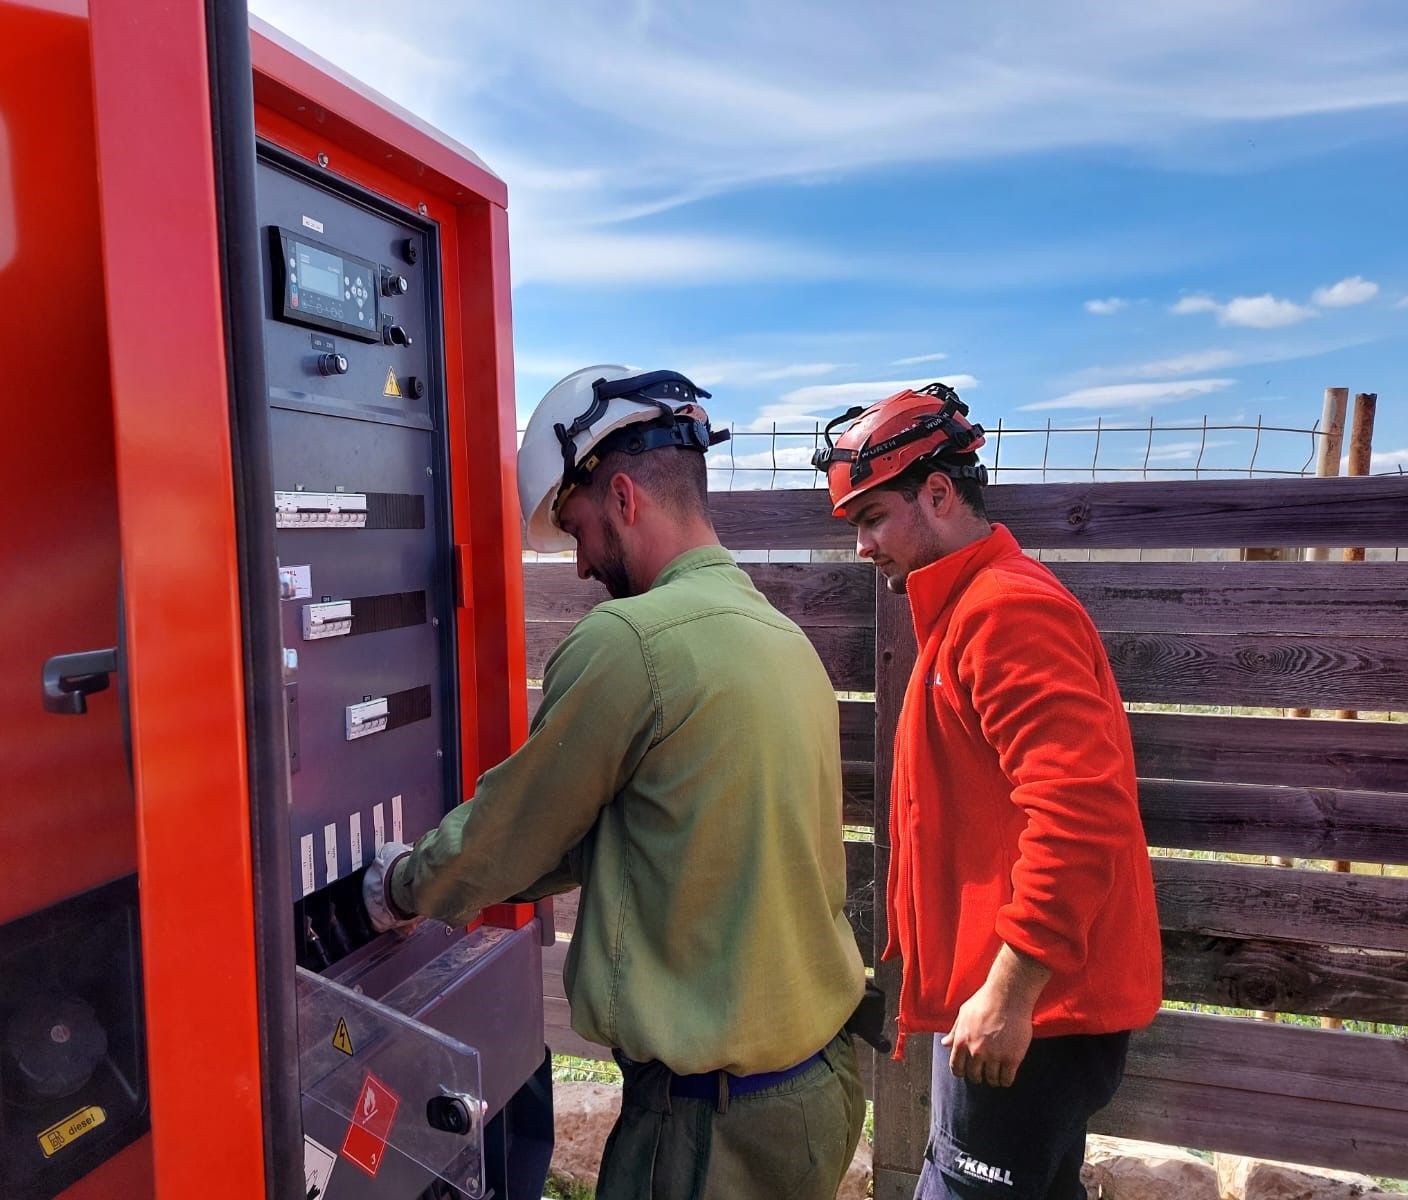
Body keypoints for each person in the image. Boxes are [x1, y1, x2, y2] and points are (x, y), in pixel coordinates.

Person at [362, 364, 867, 1199]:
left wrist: (395, 891)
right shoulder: (777, 636)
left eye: (579, 527)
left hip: (709, 1128)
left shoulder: (631, 641)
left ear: (624, 496)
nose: (582, 564)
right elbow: (632, 836)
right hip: (816, 1093)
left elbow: (511, 831)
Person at [812, 383, 1162, 1200]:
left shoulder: (1005, 612)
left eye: (870, 518)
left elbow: (1082, 812)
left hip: (1028, 1012)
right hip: (1019, 1006)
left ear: (937, 493)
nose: (861, 548)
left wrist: (1010, 990)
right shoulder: (971, 607)